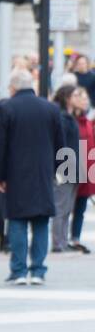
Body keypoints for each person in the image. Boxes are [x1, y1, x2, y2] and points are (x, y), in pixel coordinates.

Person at [0, 68, 65, 285]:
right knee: (41, 221)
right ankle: (38, 271)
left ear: (13, 87)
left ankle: (19, 271)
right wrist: (59, 171)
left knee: (17, 221)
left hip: (15, 173)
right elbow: (60, 143)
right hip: (43, 172)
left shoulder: (6, 107)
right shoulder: (51, 108)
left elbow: (0, 145)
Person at [51, 85, 80, 252]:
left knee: (68, 207)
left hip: (73, 165)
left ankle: (62, 240)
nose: (77, 98)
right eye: (75, 95)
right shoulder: (62, 118)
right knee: (61, 207)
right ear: (67, 97)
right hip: (65, 166)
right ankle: (58, 242)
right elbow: (61, 144)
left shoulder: (69, 117)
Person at [69, 83, 95, 253]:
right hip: (70, 166)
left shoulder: (88, 121)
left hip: (87, 168)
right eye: (81, 98)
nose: (85, 101)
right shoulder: (68, 120)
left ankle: (75, 237)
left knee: (81, 206)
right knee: (66, 206)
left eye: (86, 98)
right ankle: (62, 238)